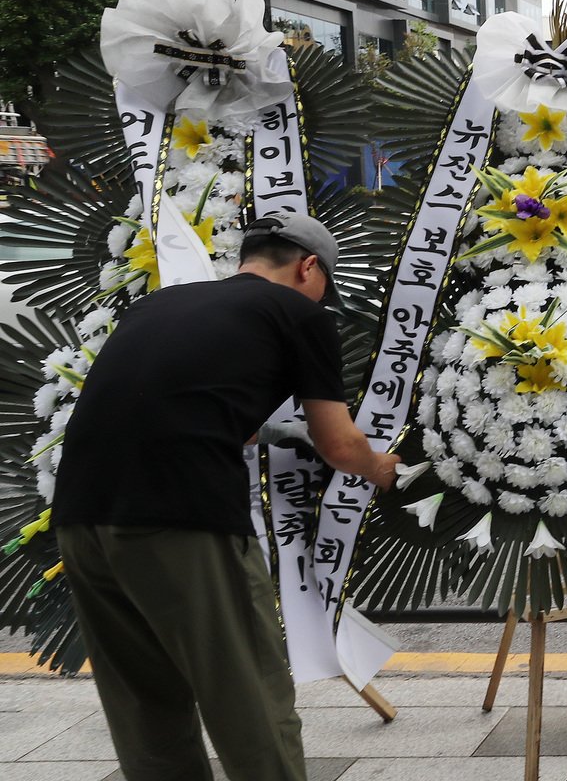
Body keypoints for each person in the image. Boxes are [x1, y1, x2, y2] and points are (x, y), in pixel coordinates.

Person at [50, 212, 401, 781]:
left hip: (80, 516)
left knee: (145, 705)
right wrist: (385, 470)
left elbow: (178, 400)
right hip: (184, 519)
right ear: (309, 267)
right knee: (249, 697)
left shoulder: (160, 304)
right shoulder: (298, 314)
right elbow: (340, 445)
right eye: (324, 286)